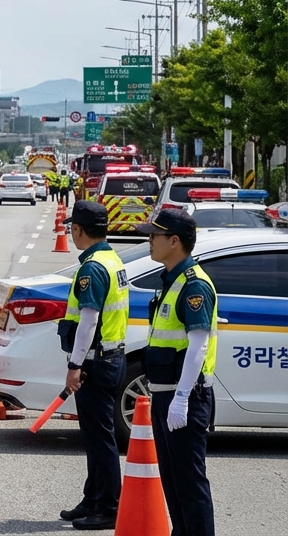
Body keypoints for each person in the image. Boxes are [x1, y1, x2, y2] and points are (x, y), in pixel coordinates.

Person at [135, 209, 217, 536]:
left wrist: (181, 398)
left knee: (189, 482)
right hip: (165, 394)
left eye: (154, 235)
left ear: (174, 241)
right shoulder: (170, 281)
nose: (149, 240)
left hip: (185, 396)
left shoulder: (193, 285)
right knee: (173, 481)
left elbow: (198, 345)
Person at [57, 201, 129, 531]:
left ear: (78, 229)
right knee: (95, 436)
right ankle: (93, 498)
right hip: (110, 356)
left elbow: (88, 321)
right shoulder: (112, 259)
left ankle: (108, 507)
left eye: (72, 228)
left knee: (99, 439)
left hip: (95, 361)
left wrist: (75, 365)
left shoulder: (92, 268)